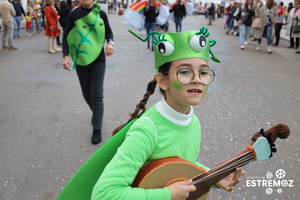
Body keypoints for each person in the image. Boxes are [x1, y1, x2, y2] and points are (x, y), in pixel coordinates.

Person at [91, 27, 246, 199]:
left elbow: (181, 164)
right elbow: (104, 194)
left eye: (203, 72)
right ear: (163, 81)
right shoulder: (147, 130)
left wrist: (213, 177)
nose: (197, 79)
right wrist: (167, 194)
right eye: (185, 72)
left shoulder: (193, 122)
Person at [62, 0, 114, 144]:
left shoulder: (101, 14)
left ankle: (97, 127)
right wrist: (65, 55)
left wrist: (110, 43)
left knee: (96, 95)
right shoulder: (74, 15)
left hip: (98, 61)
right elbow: (66, 36)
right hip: (81, 60)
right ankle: (96, 114)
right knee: (86, 94)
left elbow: (108, 32)